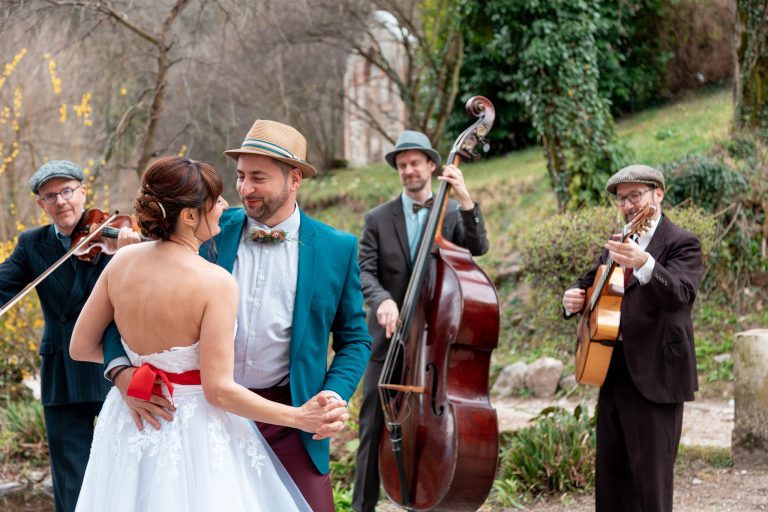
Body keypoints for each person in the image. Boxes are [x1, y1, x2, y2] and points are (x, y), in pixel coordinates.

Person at [104, 121, 372, 512]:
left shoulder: (338, 248)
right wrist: (121, 372)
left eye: (258, 178)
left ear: (294, 178)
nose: (244, 189)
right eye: (241, 176)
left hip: (292, 418)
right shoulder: (201, 228)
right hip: (206, 419)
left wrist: (331, 396)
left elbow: (355, 339)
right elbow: (126, 307)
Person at [352, 130, 490, 512]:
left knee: (432, 434)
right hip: (390, 341)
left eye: (415, 162)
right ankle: (362, 507)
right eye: (402, 165)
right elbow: (364, 272)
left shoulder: (450, 212)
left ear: (432, 165)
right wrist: (381, 300)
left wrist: (464, 198)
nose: (409, 170)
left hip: (435, 345)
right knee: (372, 430)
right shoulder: (377, 218)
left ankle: (427, 502)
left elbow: (477, 247)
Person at [562, 165, 703, 512]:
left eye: (634, 195)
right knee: (611, 483)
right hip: (613, 369)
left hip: (657, 374)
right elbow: (588, 282)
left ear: (659, 194)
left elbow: (680, 295)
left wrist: (645, 263)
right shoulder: (620, 240)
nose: (627, 205)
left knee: (651, 487)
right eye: (621, 199)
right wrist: (572, 298)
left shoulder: (682, 242)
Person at [0, 160, 138, 512]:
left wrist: (131, 256)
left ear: (83, 192)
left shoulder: (117, 235)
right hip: (61, 368)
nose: (60, 201)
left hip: (112, 365)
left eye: (66, 191)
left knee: (125, 465)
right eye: (50, 195)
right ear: (41, 204)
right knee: (70, 476)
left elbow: (143, 297)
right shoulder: (31, 244)